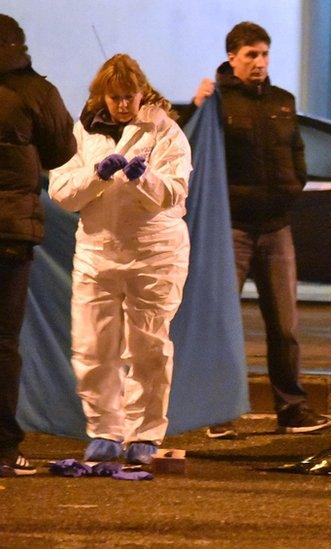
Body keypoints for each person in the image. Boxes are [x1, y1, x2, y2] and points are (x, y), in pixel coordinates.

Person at [48, 54, 191, 465]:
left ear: (142, 92)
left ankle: (143, 432)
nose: (124, 105)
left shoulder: (165, 131)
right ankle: (104, 430)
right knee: (93, 347)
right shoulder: (82, 134)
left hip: (154, 253)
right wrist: (97, 174)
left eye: (129, 97)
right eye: (115, 99)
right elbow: (63, 192)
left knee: (148, 347)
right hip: (98, 252)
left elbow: (175, 191)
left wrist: (141, 177)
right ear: (102, 97)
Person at [192, 21, 331, 438]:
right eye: (251, 54)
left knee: (285, 325)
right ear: (232, 57)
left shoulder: (282, 101)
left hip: (276, 227)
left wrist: (292, 189)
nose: (260, 62)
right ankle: (218, 414)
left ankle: (292, 410)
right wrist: (196, 108)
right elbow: (193, 150)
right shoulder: (216, 103)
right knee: (224, 324)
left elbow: (296, 153)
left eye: (265, 54)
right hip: (232, 228)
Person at [0, 13, 76, 476]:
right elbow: (62, 153)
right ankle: (4, 449)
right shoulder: (35, 91)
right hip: (10, 232)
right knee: (4, 343)